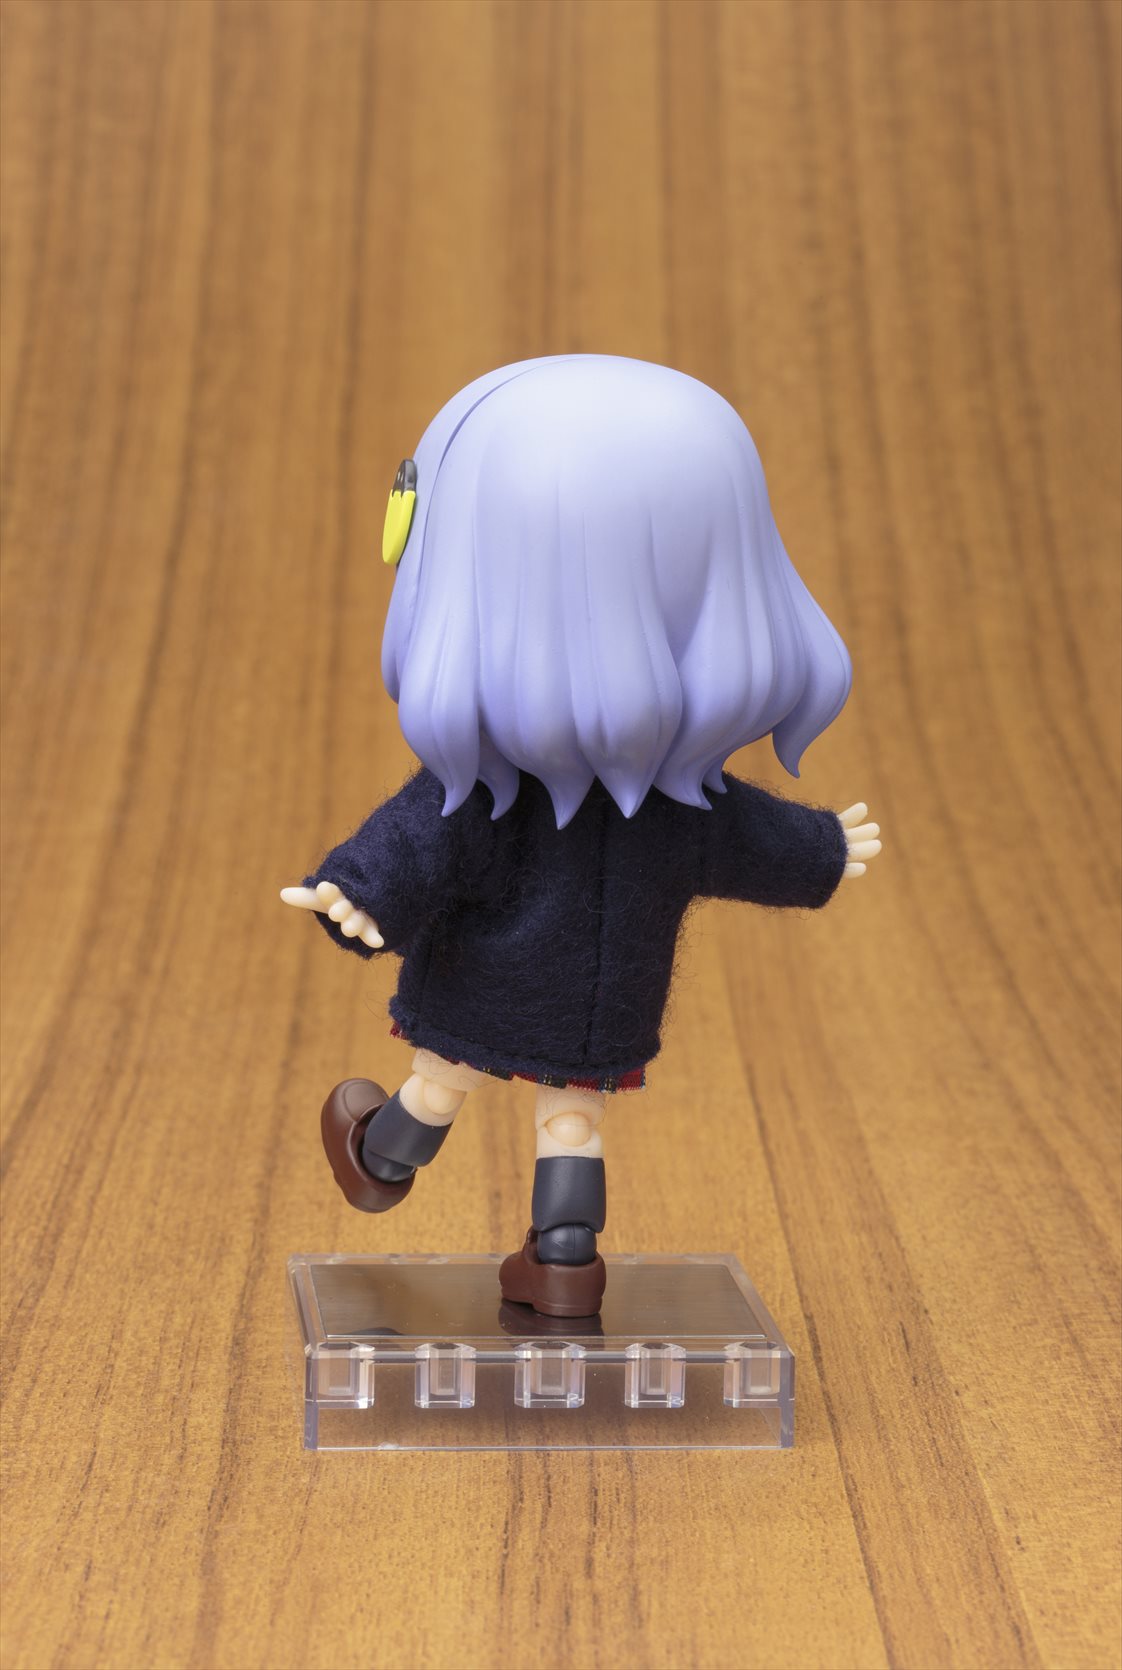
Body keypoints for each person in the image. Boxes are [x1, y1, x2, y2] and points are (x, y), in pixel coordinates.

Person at [282, 356, 882, 1317]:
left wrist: (357, 893)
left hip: (481, 989)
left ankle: (383, 1158)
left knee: (442, 1077)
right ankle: (565, 1262)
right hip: (605, 1008)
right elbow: (745, 839)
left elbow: (421, 843)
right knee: (571, 1119)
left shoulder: (488, 787)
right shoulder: (682, 803)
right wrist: (824, 851)